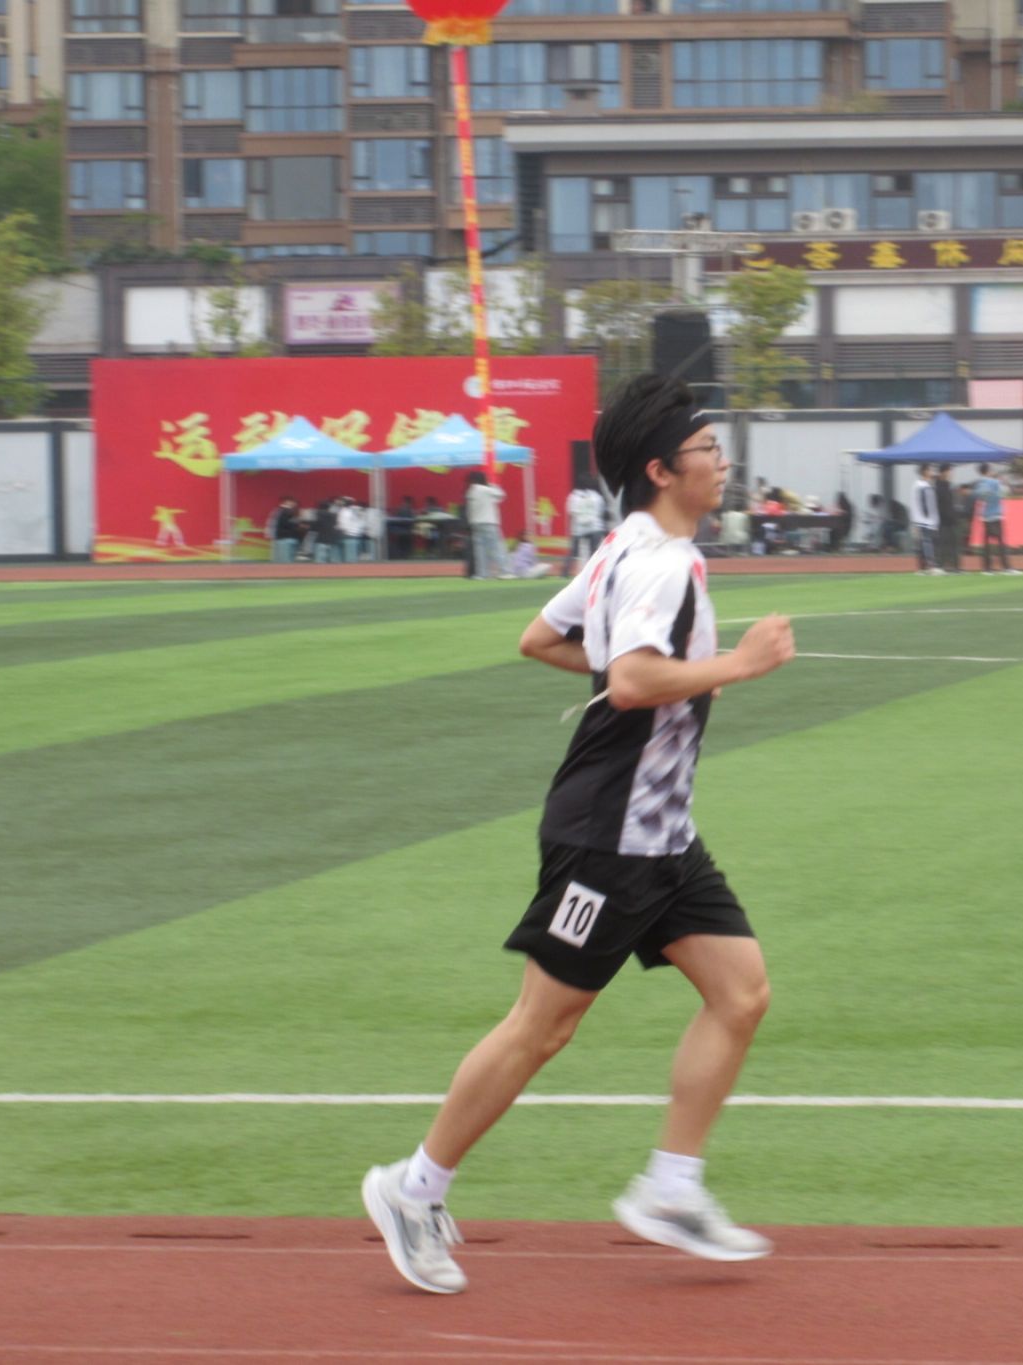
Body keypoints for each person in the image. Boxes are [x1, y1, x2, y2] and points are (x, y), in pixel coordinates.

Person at [360, 373, 797, 1295]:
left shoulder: (626, 547)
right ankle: (413, 1187)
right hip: (607, 836)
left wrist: (654, 671)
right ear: (661, 470)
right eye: (707, 449)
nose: (722, 462)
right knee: (542, 1025)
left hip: (662, 832)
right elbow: (631, 680)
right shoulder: (658, 562)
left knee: (741, 991)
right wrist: (738, 664)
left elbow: (540, 637)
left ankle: (671, 1186)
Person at [972, 465, 1018, 574]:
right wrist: (1004, 483)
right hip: (996, 514)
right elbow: (1005, 493)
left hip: (985, 516)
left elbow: (977, 496)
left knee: (986, 543)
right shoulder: (995, 482)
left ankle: (987, 568)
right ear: (988, 471)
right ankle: (1006, 567)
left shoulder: (979, 483)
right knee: (1000, 542)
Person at [465, 470, 507, 580]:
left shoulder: (470, 491)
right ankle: (504, 571)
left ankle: (482, 573)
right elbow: (501, 495)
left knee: (480, 551)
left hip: (475, 523)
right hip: (489, 522)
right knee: (496, 548)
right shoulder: (486, 490)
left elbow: (469, 510)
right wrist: (492, 484)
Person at [566, 480, 609, 574]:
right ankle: (591, 572)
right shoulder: (597, 497)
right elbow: (601, 511)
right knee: (593, 552)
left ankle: (564, 572)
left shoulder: (573, 496)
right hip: (595, 527)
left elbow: (571, 512)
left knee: (573, 552)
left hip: (578, 528)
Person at [911, 465, 942, 574]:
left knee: (925, 541)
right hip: (925, 519)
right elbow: (924, 503)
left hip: (926, 518)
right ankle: (930, 565)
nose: (931, 472)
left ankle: (922, 567)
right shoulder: (921, 485)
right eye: (929, 470)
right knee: (927, 541)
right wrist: (927, 517)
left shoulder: (924, 484)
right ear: (925, 471)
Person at [933, 465, 960, 572]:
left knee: (954, 544)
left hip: (951, 520)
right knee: (942, 544)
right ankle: (941, 565)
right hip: (942, 520)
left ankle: (955, 566)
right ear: (943, 472)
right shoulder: (938, 486)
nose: (950, 474)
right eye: (948, 471)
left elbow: (951, 503)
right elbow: (939, 504)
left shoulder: (949, 485)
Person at [269, 497, 302, 564]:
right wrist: (298, 525)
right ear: (288, 502)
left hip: (278, 537)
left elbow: (272, 524)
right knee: (286, 560)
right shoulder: (288, 511)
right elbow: (290, 524)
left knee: (278, 560)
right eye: (293, 502)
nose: (294, 505)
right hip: (286, 538)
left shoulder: (277, 511)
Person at [338, 497, 370, 563]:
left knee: (348, 556)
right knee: (355, 555)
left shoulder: (343, 511)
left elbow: (342, 524)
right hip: (358, 533)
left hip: (347, 534)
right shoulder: (358, 509)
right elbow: (363, 522)